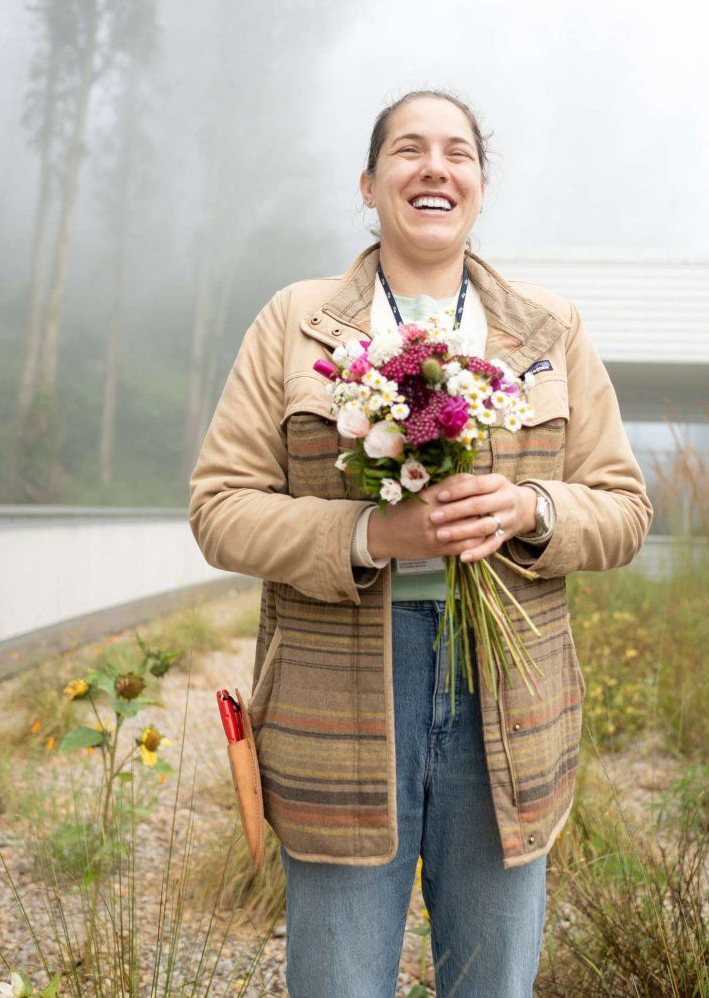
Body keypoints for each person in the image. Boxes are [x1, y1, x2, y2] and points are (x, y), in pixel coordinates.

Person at [188, 89, 653, 997]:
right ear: (370, 184)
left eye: (458, 153)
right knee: (339, 981)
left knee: (492, 983)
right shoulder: (296, 323)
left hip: (510, 697)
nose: (433, 167)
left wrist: (529, 509)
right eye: (408, 150)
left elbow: (625, 509)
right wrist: (368, 531)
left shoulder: (551, 332)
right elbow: (219, 505)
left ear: (480, 187)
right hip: (335, 703)